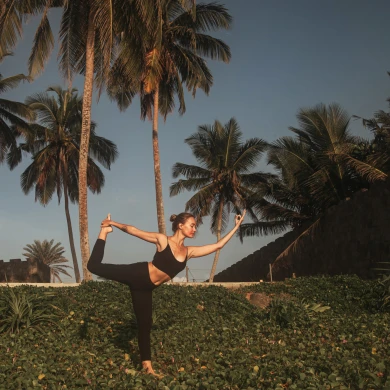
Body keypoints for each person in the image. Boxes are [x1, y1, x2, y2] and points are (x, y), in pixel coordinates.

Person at [87, 210, 246, 376]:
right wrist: (112, 224)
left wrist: (237, 226)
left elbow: (217, 246)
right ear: (180, 225)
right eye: (191, 225)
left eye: (195, 227)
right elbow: (133, 230)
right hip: (137, 273)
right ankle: (104, 232)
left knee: (145, 324)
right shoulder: (163, 240)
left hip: (146, 288)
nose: (194, 229)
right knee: (94, 267)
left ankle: (147, 368)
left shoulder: (188, 252)